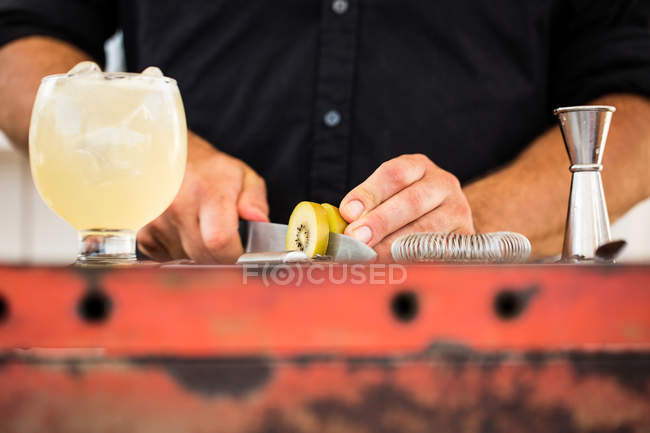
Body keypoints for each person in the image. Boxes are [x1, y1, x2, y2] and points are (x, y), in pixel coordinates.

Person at [1, 1, 649, 263]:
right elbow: (17, 38)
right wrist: (159, 166)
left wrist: (473, 228)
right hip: (188, 331)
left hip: (482, 348)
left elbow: (637, 94)